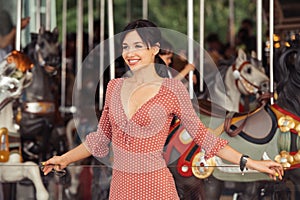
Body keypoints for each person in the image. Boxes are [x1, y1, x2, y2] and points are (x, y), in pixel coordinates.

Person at [42, 19, 283, 199]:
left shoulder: (171, 90)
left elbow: (204, 137)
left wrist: (251, 163)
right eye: (125, 47)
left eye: (137, 46)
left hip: (157, 187)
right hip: (120, 188)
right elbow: (99, 139)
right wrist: (63, 159)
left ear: (155, 48)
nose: (130, 53)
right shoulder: (114, 87)